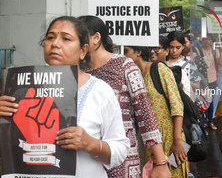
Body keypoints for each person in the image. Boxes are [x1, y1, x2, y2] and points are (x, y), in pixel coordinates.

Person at [0, 16, 130, 178]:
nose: (55, 43)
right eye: (50, 37)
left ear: (83, 51)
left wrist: (90, 144)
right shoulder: (20, 90)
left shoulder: (100, 91)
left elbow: (120, 150)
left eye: (66, 38)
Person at [78, 15, 170, 178]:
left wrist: (161, 163)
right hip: (86, 158)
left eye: (78, 36)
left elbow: (146, 116)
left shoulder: (125, 66)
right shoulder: (79, 72)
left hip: (123, 161)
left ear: (96, 38)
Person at [124, 45, 189, 178]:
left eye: (125, 51)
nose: (122, 56)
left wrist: (177, 141)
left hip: (171, 140)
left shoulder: (159, 69)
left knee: (174, 173)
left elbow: (177, 105)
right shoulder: (134, 77)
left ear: (138, 52)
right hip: (151, 145)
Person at [167, 31, 201, 100]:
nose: (174, 50)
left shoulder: (189, 64)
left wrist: (183, 80)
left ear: (183, 46)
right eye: (171, 47)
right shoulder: (162, 63)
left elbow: (197, 87)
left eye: (178, 47)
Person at [202, 34, 218, 130]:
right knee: (203, 100)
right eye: (206, 39)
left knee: (211, 101)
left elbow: (219, 63)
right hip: (203, 79)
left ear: (212, 41)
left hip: (212, 79)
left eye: (209, 39)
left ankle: (211, 121)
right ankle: (204, 121)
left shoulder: (214, 52)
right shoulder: (199, 51)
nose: (207, 41)